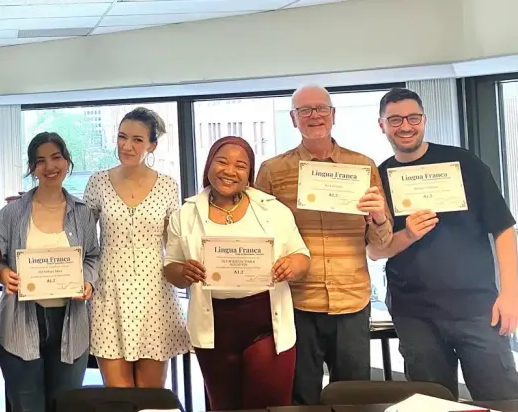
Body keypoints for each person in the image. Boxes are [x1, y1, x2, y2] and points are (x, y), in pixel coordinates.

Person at [368, 88, 518, 400]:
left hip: (478, 308)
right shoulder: (378, 178)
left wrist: (511, 294)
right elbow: (375, 251)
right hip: (415, 314)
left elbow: (503, 229)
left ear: (424, 119)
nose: (405, 126)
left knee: (501, 396)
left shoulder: (464, 163)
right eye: (394, 120)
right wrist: (408, 234)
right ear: (381, 124)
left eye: (413, 118)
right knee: (431, 402)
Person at [254, 85, 392, 405]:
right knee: (301, 397)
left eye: (321, 109)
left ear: (333, 115)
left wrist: (380, 217)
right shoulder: (273, 171)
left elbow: (379, 244)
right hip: (298, 302)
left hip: (352, 300)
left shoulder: (362, 166)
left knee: (354, 399)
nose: (314, 116)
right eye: (304, 110)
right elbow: (261, 234)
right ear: (293, 119)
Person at [165, 136, 310, 410]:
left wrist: (292, 265)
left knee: (268, 405)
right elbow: (170, 268)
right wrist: (183, 271)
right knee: (223, 405)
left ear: (249, 174)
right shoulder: (185, 214)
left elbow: (303, 257)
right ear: (209, 165)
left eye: (240, 165)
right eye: (222, 161)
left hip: (265, 322)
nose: (230, 170)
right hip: (214, 326)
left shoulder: (273, 210)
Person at [0, 132, 100, 412]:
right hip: (20, 324)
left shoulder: (83, 212)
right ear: (32, 168)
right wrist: (4, 275)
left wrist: (87, 282)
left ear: (67, 161)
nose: (50, 166)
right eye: (40, 161)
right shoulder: (11, 213)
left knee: (66, 405)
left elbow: (92, 256)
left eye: (56, 157)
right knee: (27, 406)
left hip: (71, 323)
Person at [84, 107, 190, 388]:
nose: (126, 145)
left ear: (152, 145)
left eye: (137, 140)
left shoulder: (168, 186)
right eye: (122, 137)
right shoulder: (97, 182)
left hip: (155, 295)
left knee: (150, 398)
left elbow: (174, 241)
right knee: (118, 398)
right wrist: (40, 203)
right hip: (109, 294)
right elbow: (79, 234)